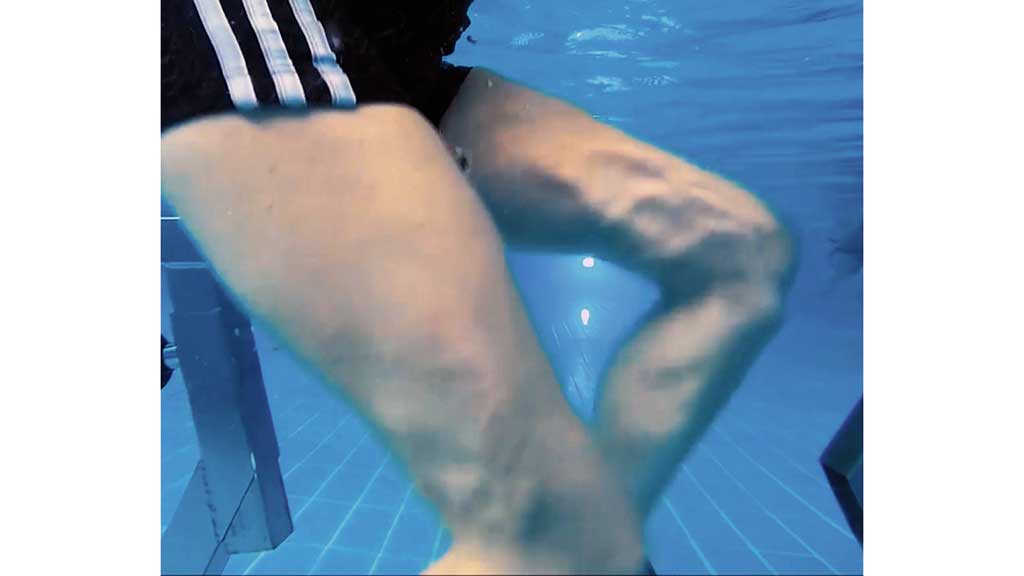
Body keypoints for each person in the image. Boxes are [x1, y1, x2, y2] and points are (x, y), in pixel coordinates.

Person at [161, 1, 794, 573]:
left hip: (392, 48)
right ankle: (556, 536)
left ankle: (572, 537)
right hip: (257, 22)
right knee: (542, 524)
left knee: (737, 255)